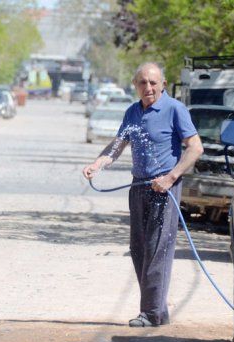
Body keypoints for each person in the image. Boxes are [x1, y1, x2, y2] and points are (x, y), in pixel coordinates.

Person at [82, 62, 204, 327]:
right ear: (135, 85)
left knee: (157, 250)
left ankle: (150, 313)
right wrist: (98, 164)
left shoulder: (174, 109)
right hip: (138, 188)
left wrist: (171, 178)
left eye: (153, 82)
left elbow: (195, 148)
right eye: (142, 83)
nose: (148, 87)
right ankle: (158, 310)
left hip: (164, 190)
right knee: (138, 250)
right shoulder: (132, 112)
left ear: (163, 84)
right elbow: (118, 144)